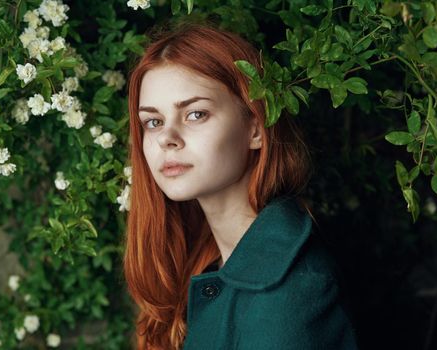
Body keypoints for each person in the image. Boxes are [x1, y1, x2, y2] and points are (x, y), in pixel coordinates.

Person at [124, 20, 358, 350]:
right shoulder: (201, 261)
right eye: (153, 121)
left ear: (256, 128)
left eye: (195, 114)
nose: (167, 138)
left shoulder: (295, 294)